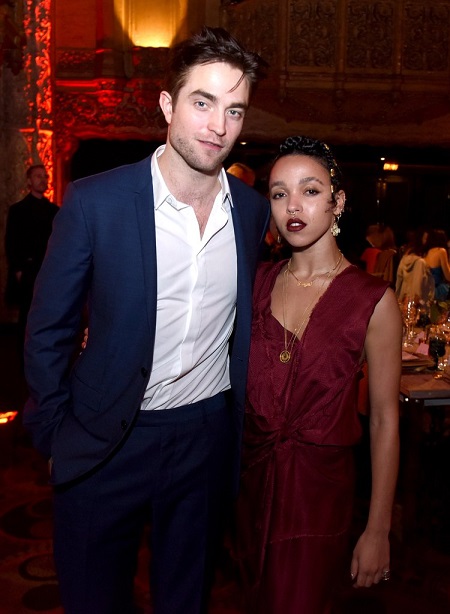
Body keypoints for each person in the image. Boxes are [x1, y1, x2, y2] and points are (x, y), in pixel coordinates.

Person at [22, 27, 269, 614]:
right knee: (94, 598)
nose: (218, 126)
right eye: (202, 102)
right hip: (106, 438)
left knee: (187, 599)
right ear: (167, 104)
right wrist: (56, 433)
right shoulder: (96, 202)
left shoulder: (251, 211)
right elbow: (48, 329)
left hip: (204, 439)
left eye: (234, 110)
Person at [234, 136, 402, 613]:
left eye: (310, 190)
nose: (293, 206)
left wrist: (378, 529)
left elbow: (384, 420)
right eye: (279, 193)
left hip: (318, 497)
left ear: (337, 202)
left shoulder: (373, 300)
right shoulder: (254, 283)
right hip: (250, 491)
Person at [4, 164, 59, 358]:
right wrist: (19, 270)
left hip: (49, 272)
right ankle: (25, 357)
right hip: (28, 271)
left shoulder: (54, 211)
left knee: (49, 316)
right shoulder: (18, 210)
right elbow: (11, 242)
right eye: (38, 176)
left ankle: (45, 356)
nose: (43, 180)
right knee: (27, 317)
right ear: (29, 181)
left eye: (45, 176)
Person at [395, 229, 435, 303]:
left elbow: (398, 281)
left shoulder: (404, 259)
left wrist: (398, 299)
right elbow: (418, 287)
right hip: (417, 304)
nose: (426, 242)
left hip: (404, 300)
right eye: (425, 239)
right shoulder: (420, 263)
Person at [423, 228, 450, 300]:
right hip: (438, 290)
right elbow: (448, 276)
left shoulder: (426, 253)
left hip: (426, 290)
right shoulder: (441, 251)